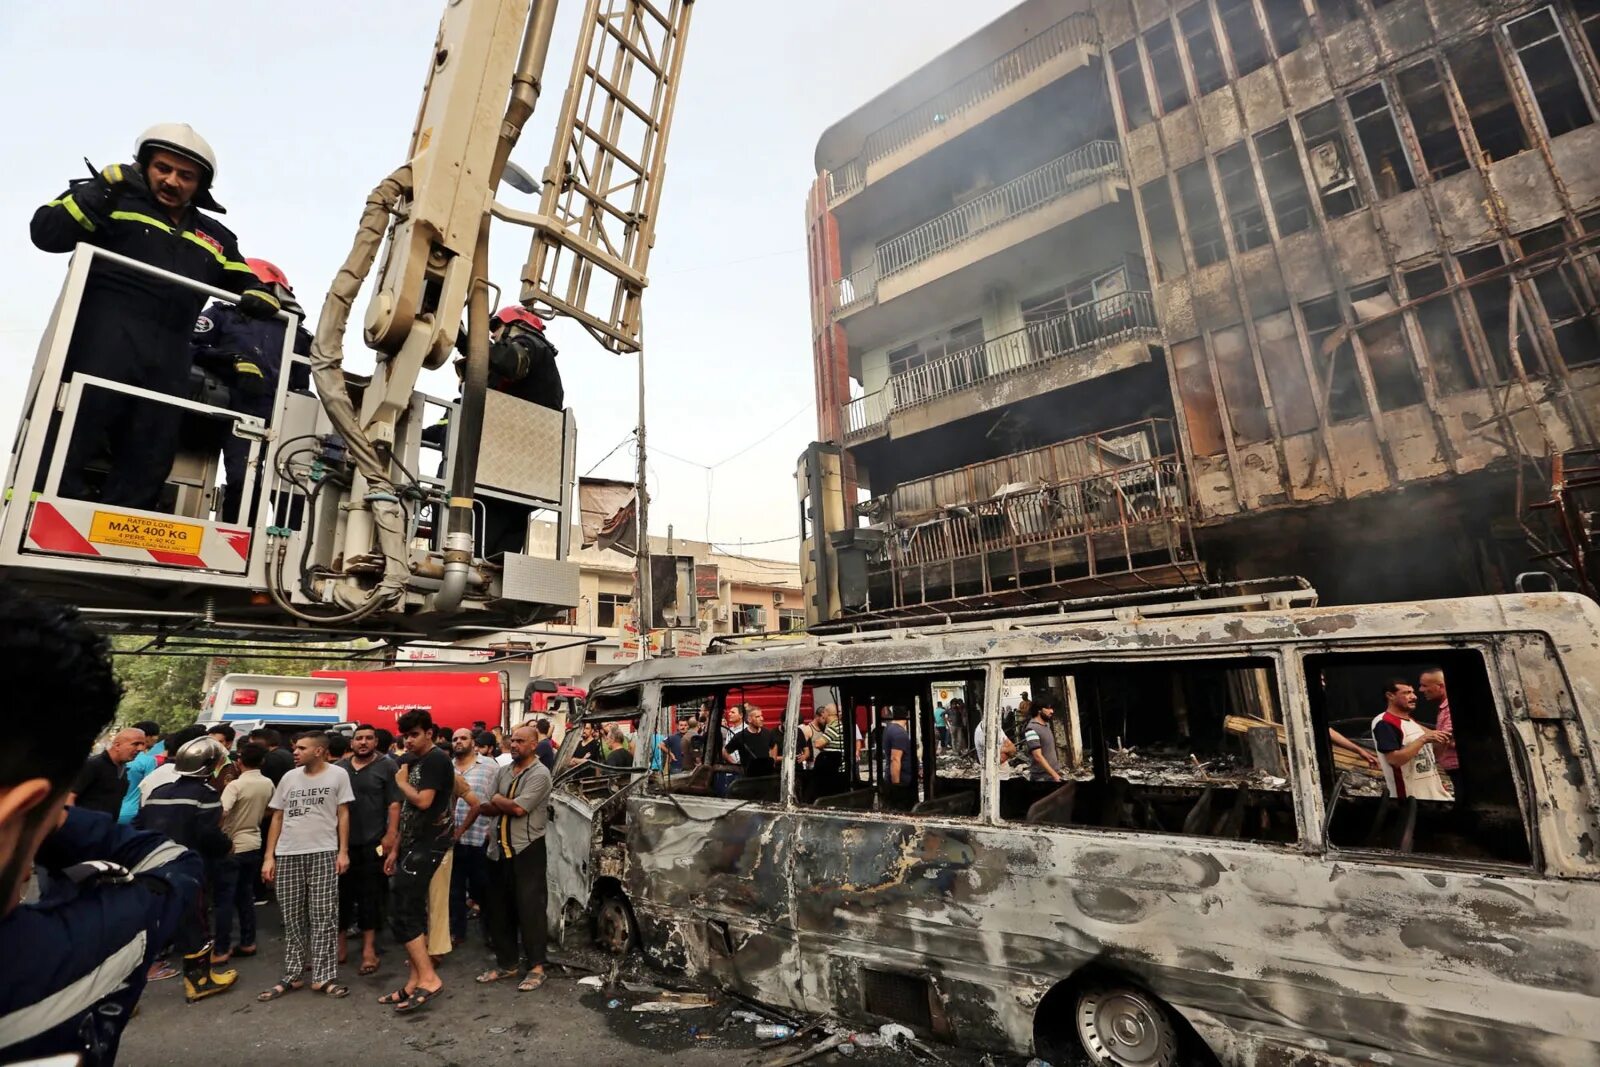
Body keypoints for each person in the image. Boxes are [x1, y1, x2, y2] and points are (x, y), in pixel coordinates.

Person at [0, 588, 203, 1064]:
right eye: (134, 745)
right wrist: (53, 825)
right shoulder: (63, 959)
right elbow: (173, 866)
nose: (139, 752)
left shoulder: (119, 771)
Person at [30, 123, 281, 509]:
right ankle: (42, 510)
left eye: (186, 175)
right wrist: (101, 189)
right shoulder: (110, 202)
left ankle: (124, 523)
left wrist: (259, 294)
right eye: (163, 168)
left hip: (172, 351)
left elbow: (241, 277)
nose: (172, 181)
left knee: (154, 441)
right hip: (101, 337)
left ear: (200, 185)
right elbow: (47, 234)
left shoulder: (215, 236)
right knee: (77, 424)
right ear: (144, 165)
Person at [190, 258, 313, 523]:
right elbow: (192, 347)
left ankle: (287, 547)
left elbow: (302, 384)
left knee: (292, 487)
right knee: (243, 481)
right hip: (240, 410)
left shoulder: (298, 334)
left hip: (283, 417)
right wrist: (231, 361)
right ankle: (241, 543)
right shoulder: (224, 314)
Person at [136, 736, 237, 1001]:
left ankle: (125, 995)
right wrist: (226, 846)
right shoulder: (206, 795)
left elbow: (138, 826)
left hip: (151, 867)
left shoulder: (159, 792)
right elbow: (208, 834)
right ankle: (199, 982)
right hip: (187, 868)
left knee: (146, 927)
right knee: (195, 922)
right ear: (209, 765)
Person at [258, 732, 353, 1001]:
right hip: (288, 853)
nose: (295, 752)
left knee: (324, 915)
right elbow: (277, 815)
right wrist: (269, 856)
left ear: (320, 751)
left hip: (324, 851)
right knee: (291, 916)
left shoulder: (338, 775)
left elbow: (343, 813)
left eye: (301, 748)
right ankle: (293, 974)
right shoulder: (289, 777)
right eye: (295, 747)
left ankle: (323, 976)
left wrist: (342, 851)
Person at [382, 710, 455, 1013]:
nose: (408, 741)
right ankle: (415, 981)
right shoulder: (416, 762)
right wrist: (396, 848)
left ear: (430, 733)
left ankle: (428, 978)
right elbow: (410, 816)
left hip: (430, 845)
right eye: (405, 735)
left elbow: (423, 801)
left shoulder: (436, 759)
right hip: (412, 844)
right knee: (405, 910)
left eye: (414, 734)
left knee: (405, 912)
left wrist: (401, 782)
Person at [474, 725, 555, 992]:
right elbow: (485, 807)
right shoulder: (503, 771)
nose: (515, 745)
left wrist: (499, 799)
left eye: (521, 741)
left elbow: (520, 808)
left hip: (526, 849)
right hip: (498, 850)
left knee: (530, 908)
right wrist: (501, 801)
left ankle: (536, 967)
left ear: (534, 745)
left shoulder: (540, 774)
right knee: (499, 909)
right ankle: (507, 963)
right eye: (513, 740)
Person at [335, 724, 399, 977]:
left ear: (375, 742)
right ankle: (339, 948)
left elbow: (394, 804)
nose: (363, 742)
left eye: (368, 738)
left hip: (374, 843)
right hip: (341, 845)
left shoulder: (387, 766)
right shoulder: (339, 769)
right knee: (340, 897)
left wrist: (391, 836)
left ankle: (369, 951)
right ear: (351, 743)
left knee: (370, 897)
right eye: (358, 738)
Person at [215, 741, 272, 963]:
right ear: (263, 761)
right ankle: (248, 941)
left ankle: (221, 948)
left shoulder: (235, 786)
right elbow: (272, 809)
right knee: (245, 895)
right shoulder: (268, 783)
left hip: (232, 845)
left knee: (224, 899)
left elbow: (222, 812)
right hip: (254, 843)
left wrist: (219, 833)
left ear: (239, 762)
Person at [449, 727, 498, 946]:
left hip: (481, 837)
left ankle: (491, 934)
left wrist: (493, 829)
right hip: (453, 840)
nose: (458, 742)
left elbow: (499, 796)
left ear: (472, 742)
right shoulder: (447, 767)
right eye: (455, 739)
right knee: (455, 891)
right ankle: (457, 933)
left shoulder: (489, 766)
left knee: (484, 889)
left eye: (463, 738)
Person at [1371, 680, 1453, 801]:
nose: (1414, 697)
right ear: (1390, 696)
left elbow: (1432, 752)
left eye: (1413, 692)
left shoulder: (1410, 721)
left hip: (1434, 795)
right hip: (1409, 799)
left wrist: (1445, 740)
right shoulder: (1385, 722)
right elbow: (1394, 760)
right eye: (1407, 693)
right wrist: (1423, 739)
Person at [73, 727, 146, 817]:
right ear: (117, 745)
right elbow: (70, 796)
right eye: (136, 744)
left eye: (143, 744)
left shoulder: (122, 770)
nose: (140, 748)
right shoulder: (94, 765)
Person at [1418, 667, 1460, 791]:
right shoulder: (1443, 708)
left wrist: (1408, 722)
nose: (1421, 690)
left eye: (1425, 686)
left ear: (1440, 686)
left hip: (1459, 770)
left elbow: (1444, 737)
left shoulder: (1451, 708)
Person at [118, 719, 164, 824]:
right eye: (155, 735)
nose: (156, 739)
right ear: (146, 737)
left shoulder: (116, 757)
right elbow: (149, 789)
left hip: (110, 810)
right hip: (132, 813)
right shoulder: (148, 761)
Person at [1023, 692, 1065, 784]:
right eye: (1048, 708)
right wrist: (1055, 775)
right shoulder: (1031, 729)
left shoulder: (1046, 725)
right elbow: (1037, 756)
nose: (1052, 711)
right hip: (1042, 778)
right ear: (1039, 710)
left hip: (1052, 775)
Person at [880, 707, 918, 806]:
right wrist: (896, 787)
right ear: (908, 715)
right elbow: (895, 759)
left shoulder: (889, 728)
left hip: (897, 779)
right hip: (902, 781)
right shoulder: (899, 733)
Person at [728, 708, 779, 778]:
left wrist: (773, 761)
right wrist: (735, 764)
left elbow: (774, 746)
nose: (762, 718)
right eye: (757, 717)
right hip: (748, 778)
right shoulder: (740, 736)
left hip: (766, 776)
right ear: (749, 719)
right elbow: (725, 751)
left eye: (761, 716)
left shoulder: (767, 733)